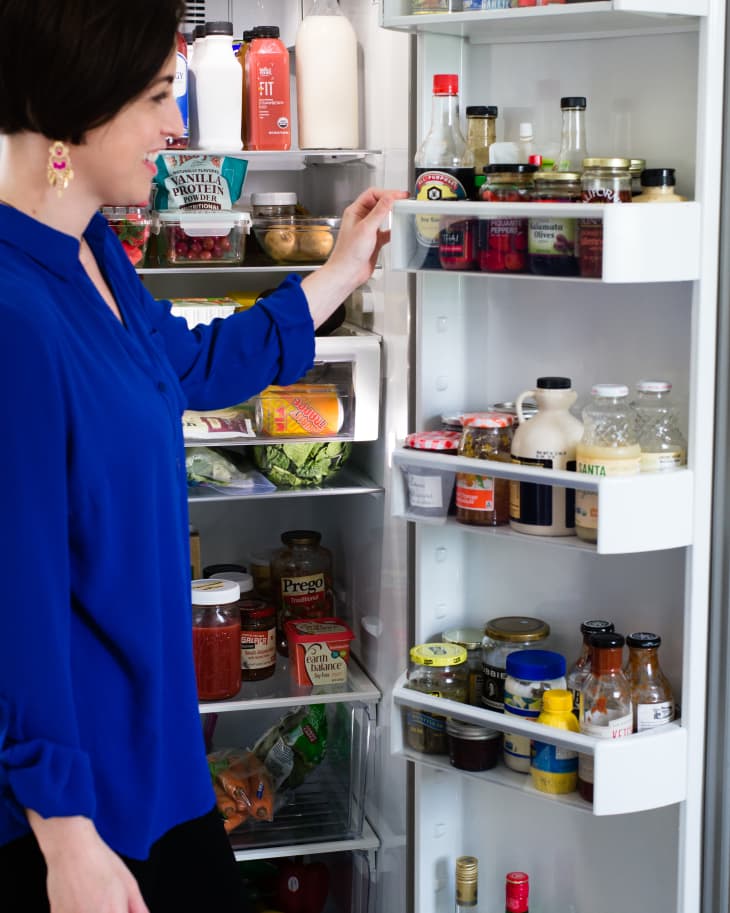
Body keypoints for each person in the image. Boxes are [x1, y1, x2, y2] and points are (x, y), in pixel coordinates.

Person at [0, 2, 408, 911]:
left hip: (160, 759)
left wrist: (340, 271)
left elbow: (190, 365)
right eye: (157, 98)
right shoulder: (15, 314)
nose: (178, 127)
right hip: (76, 805)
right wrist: (66, 839)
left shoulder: (95, 253)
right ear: (76, 107)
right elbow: (13, 598)